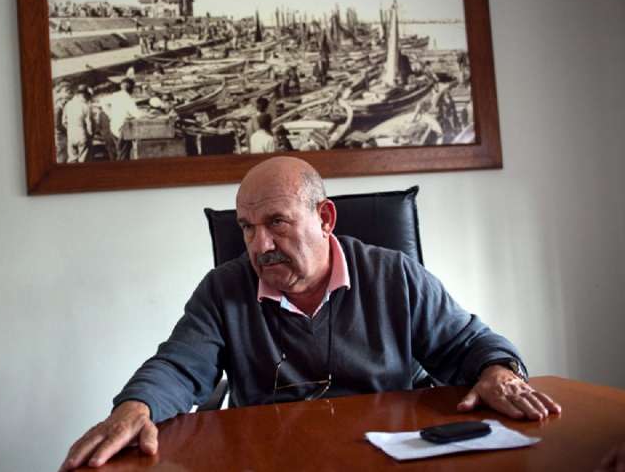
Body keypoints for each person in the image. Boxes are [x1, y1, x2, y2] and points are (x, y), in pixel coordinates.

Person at [59, 157, 561, 470]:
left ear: (324, 218)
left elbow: (469, 344)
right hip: (271, 460)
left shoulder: (394, 275)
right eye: (247, 228)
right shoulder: (224, 288)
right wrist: (137, 407)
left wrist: (498, 371)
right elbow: (177, 365)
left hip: (388, 458)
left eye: (276, 222)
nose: (260, 245)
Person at [99, 78, 144, 160]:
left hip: (113, 127)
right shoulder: (128, 99)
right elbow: (138, 115)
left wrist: (110, 114)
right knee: (123, 154)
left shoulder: (115, 95)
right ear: (131, 88)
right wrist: (146, 114)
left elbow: (102, 102)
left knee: (119, 151)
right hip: (122, 129)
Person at [62, 84, 93, 163]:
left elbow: (64, 121)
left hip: (71, 135)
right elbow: (89, 123)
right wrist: (90, 134)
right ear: (84, 95)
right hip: (82, 135)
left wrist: (69, 129)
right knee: (83, 160)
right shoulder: (85, 106)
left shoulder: (68, 104)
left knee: (72, 159)